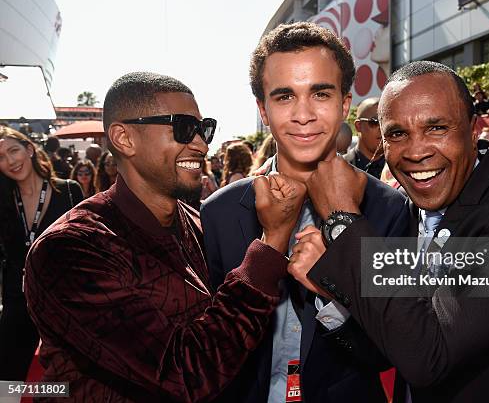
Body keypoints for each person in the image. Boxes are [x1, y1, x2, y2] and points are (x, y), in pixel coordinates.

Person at [286, 61, 489, 402]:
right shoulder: (405, 211)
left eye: (436, 128)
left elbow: (428, 355)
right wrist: (334, 295)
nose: (416, 151)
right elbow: (393, 343)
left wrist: (343, 220)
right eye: (397, 134)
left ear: (472, 131)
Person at [23, 71, 307, 401]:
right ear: (124, 138)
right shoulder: (70, 249)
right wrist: (272, 243)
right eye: (184, 128)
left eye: (204, 129)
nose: (201, 144)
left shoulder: (199, 221)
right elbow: (186, 373)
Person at [201, 22, 409, 403]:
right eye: (284, 97)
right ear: (263, 109)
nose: (303, 114)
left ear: (345, 103)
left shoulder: (388, 208)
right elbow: (208, 353)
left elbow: (393, 352)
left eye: (320, 93)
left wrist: (332, 291)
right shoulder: (219, 213)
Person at [0, 126, 83, 381]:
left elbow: (86, 247)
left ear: (29, 149)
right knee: (7, 381)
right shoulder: (3, 199)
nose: (10, 161)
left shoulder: (69, 191)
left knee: (68, 381)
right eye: (0, 157)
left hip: (63, 302)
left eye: (14, 150)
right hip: (18, 301)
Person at [344, 97, 386, 179]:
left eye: (385, 122)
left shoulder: (399, 168)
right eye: (374, 122)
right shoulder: (341, 166)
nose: (382, 128)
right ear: (358, 126)